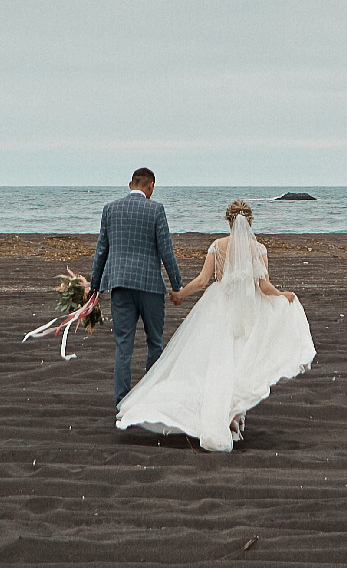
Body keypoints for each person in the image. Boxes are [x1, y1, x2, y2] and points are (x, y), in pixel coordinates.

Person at [115, 198, 315, 451]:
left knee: (211, 363)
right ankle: (233, 418)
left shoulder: (218, 246)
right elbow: (264, 286)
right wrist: (282, 295)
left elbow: (202, 280)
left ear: (228, 221)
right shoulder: (259, 249)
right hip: (247, 309)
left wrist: (180, 294)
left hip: (218, 307)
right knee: (240, 362)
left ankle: (220, 416)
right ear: (249, 221)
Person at [89, 167, 183, 405]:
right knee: (155, 342)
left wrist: (95, 287)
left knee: (123, 346)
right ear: (150, 186)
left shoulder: (110, 209)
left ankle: (122, 402)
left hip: (119, 284)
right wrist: (177, 286)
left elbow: (101, 251)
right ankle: (151, 397)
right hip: (150, 285)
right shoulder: (156, 210)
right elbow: (166, 251)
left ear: (130, 185)